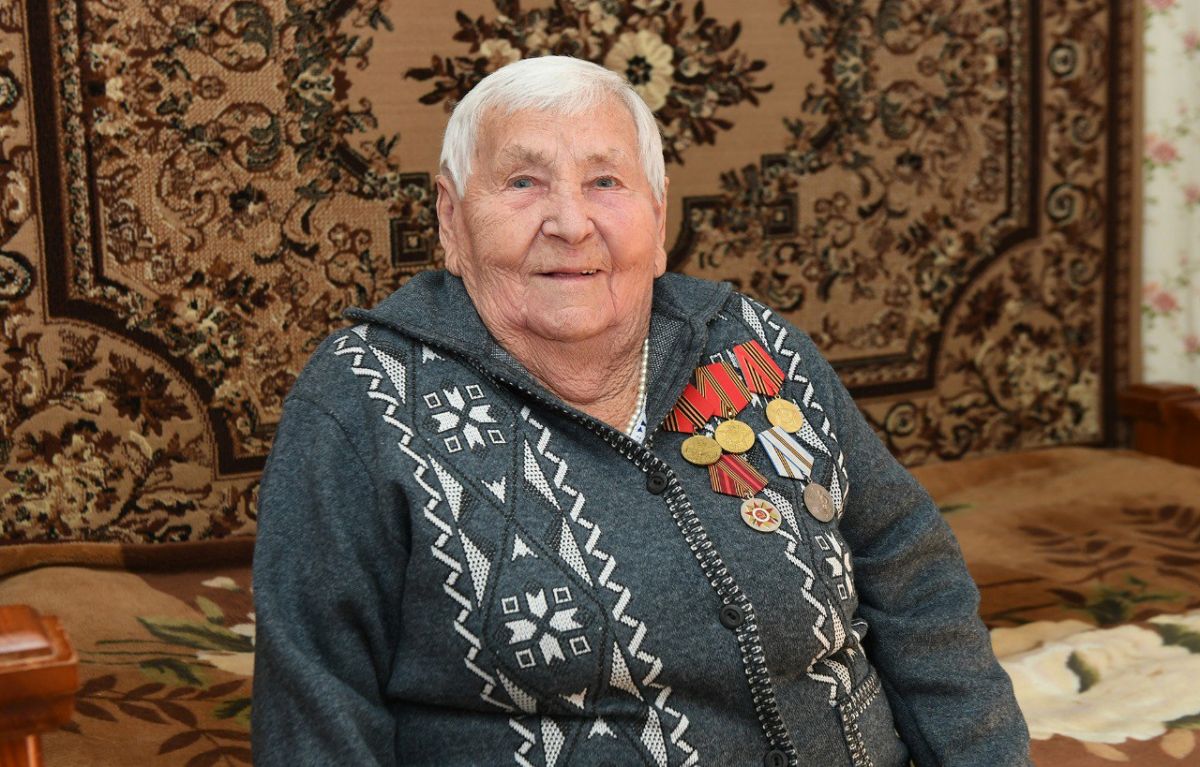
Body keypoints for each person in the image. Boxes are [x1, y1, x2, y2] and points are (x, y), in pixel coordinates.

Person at [252, 56, 1032, 766]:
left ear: (658, 219)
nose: (569, 222)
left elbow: (911, 568)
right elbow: (317, 700)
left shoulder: (754, 343)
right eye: (522, 183)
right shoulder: (364, 398)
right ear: (452, 221)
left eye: (605, 182)